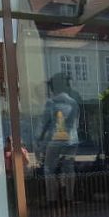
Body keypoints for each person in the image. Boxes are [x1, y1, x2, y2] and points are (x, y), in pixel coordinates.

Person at [38, 72, 80, 204]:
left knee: (48, 169)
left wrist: (39, 142)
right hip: (72, 141)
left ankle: (52, 199)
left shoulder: (51, 102)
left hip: (56, 140)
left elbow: (44, 124)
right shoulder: (73, 102)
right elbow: (76, 124)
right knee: (68, 168)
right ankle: (69, 198)